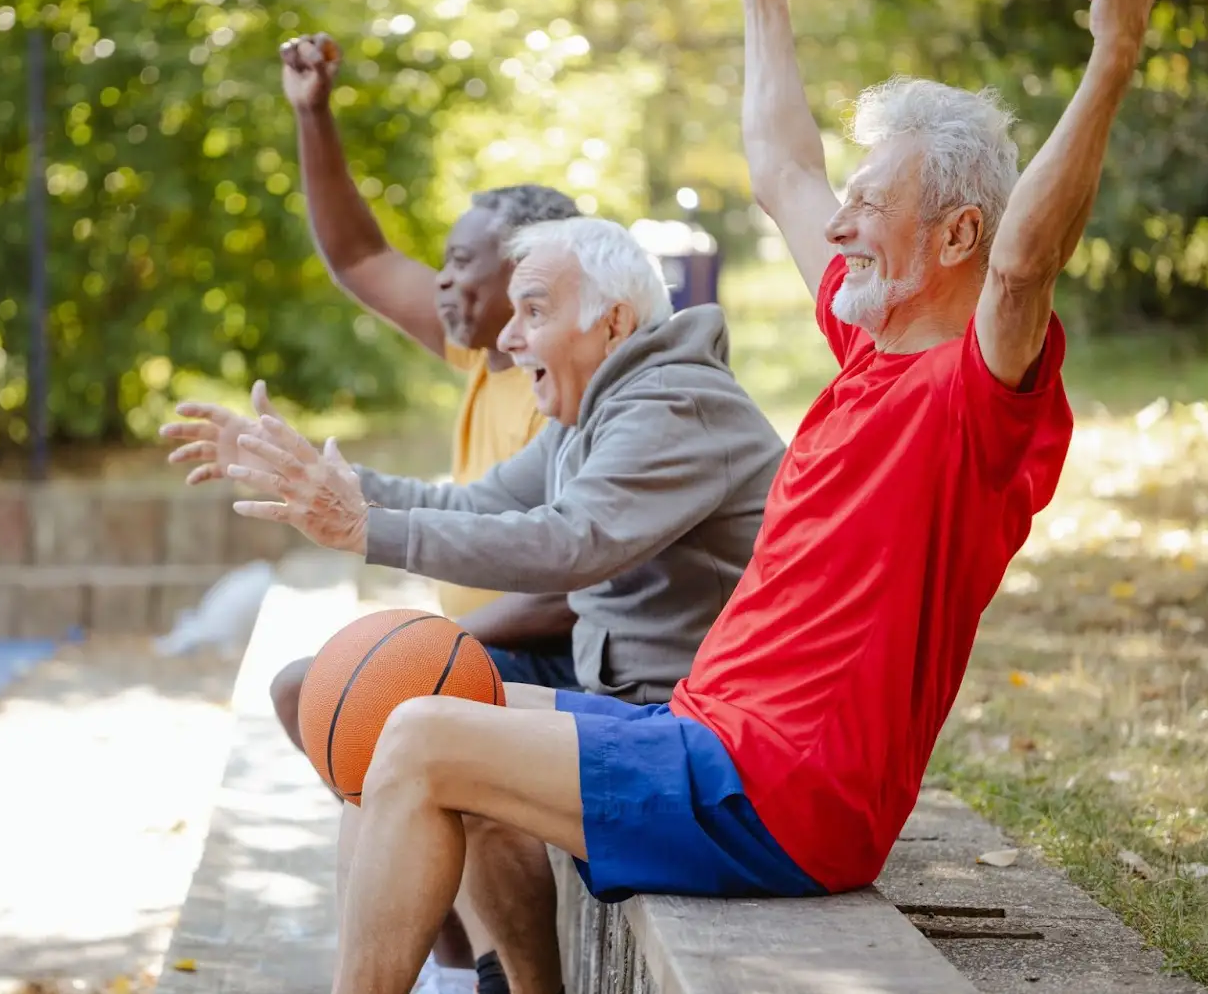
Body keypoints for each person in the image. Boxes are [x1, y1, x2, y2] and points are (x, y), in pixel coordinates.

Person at [196, 0, 1167, 990]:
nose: (835, 221)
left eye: (869, 206)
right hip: (705, 737)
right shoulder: (864, 350)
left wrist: (1112, 54)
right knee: (392, 702)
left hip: (779, 790)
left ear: (953, 236)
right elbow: (783, 167)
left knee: (423, 736)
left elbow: (1024, 262)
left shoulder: (975, 398)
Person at [169, 214, 784, 993]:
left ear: (615, 321)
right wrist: (305, 479)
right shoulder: (595, 410)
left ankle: (495, 981)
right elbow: (470, 504)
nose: (512, 338)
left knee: (429, 726)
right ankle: (460, 975)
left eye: (534, 311)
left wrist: (366, 527)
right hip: (630, 698)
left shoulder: (671, 401)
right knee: (353, 705)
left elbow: (570, 542)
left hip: (689, 728)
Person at [272, 30, 588, 730]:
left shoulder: (567, 388)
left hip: (551, 655)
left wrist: (435, 647)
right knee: (315, 695)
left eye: (462, 260)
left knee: (320, 693)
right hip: (490, 645)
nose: (442, 277)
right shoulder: (482, 350)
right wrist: (312, 114)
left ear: (529, 271)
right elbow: (359, 256)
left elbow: (576, 586)